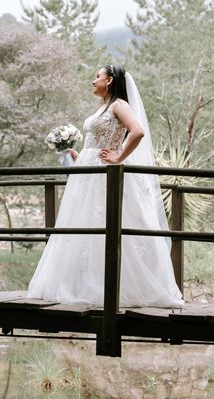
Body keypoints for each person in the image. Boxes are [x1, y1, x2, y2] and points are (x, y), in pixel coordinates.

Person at [27, 65, 184, 307]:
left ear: (109, 80)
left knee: (108, 224)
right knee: (85, 226)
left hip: (104, 174)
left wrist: (118, 157)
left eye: (97, 77)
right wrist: (77, 155)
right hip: (88, 173)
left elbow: (138, 131)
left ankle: (117, 287)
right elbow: (96, 144)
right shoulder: (103, 107)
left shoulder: (120, 105)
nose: (93, 81)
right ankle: (84, 284)